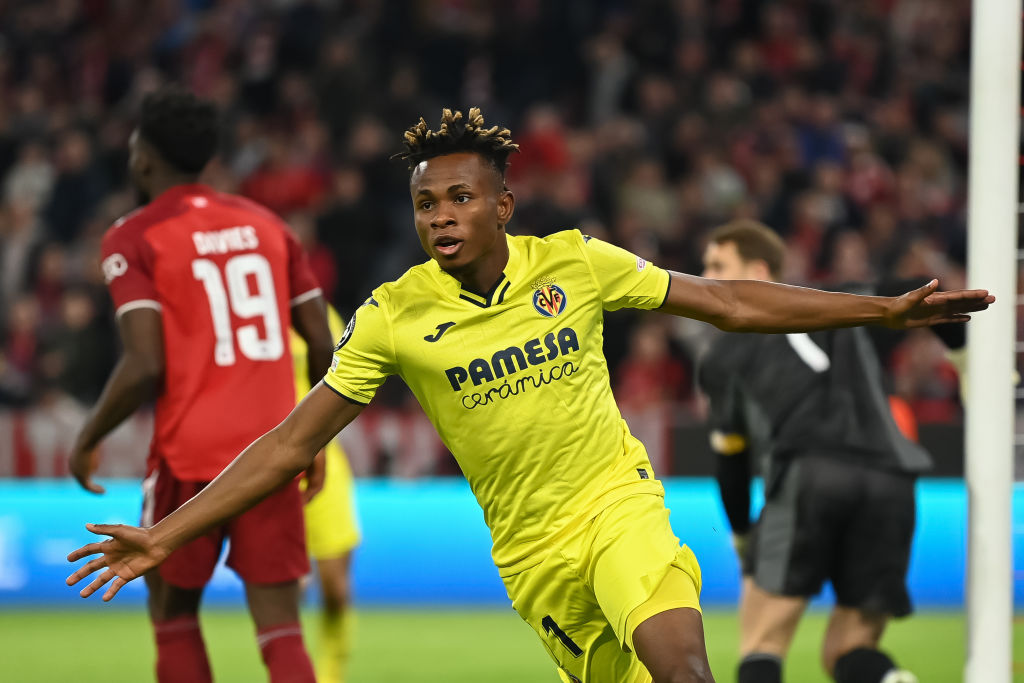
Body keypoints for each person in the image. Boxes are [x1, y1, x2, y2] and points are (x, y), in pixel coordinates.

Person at [67, 108, 993, 683]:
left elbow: (728, 300)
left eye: (460, 200)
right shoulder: (393, 316)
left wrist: (881, 307)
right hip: (533, 553)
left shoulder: (577, 263)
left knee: (684, 665)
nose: (440, 218)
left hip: (618, 506)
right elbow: (287, 444)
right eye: (428, 204)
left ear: (503, 205)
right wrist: (167, 532)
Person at [68, 87, 335, 683]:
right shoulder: (269, 225)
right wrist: (311, 441)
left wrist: (87, 437)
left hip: (189, 454)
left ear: (142, 157)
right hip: (271, 453)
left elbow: (144, 364)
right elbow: (322, 342)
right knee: (281, 628)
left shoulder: (133, 236)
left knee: (173, 615)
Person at [697, 220, 927, 683]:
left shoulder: (724, 353)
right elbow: (916, 291)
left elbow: (731, 462)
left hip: (808, 474)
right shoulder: (844, 300)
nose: (704, 277)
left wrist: (743, 537)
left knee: (761, 644)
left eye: (717, 265)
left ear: (759, 270)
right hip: (893, 478)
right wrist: (964, 359)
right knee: (849, 650)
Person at [293, 305, 361, 683]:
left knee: (334, 589)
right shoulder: (248, 313)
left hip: (323, 461)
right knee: (290, 588)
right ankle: (295, 671)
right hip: (269, 465)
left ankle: (332, 673)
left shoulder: (320, 314)